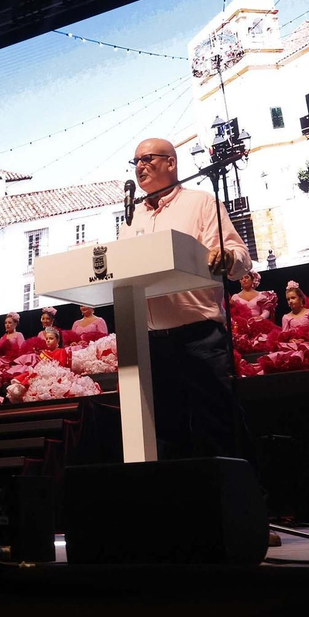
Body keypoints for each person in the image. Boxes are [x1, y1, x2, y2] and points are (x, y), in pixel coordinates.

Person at [126, 136, 253, 461]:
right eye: (136, 161)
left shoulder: (201, 203)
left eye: (147, 159)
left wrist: (227, 257)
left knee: (218, 429)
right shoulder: (133, 217)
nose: (140, 166)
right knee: (169, 436)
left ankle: (237, 492)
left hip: (199, 338)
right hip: (152, 343)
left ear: (171, 162)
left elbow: (240, 255)